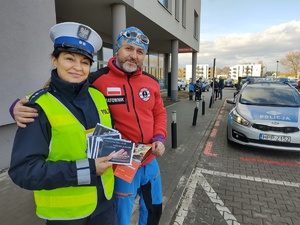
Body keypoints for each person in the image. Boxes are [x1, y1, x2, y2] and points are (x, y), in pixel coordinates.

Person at [11, 26, 167, 225]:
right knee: (123, 216)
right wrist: (17, 106)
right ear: (117, 49)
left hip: (146, 160)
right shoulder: (97, 81)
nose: (133, 56)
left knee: (153, 209)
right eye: (128, 49)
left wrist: (159, 136)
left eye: (140, 52)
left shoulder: (149, 82)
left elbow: (159, 112)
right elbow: (57, 88)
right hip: (120, 166)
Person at [8, 22, 118, 225]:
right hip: (66, 216)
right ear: (54, 59)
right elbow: (23, 171)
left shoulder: (98, 97)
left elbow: (106, 140)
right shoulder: (37, 107)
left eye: (85, 62)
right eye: (69, 59)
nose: (78, 67)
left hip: (105, 204)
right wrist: (88, 169)